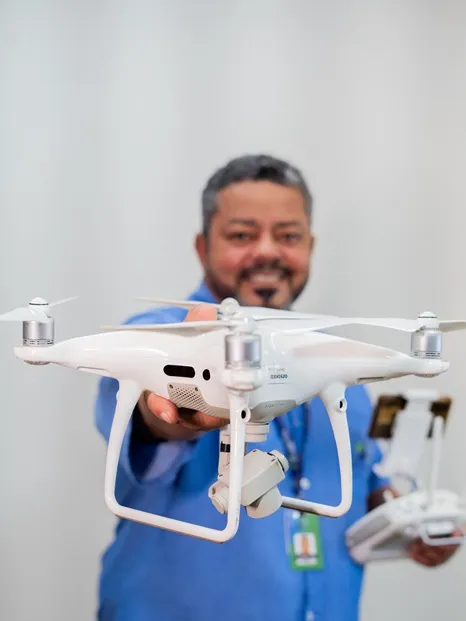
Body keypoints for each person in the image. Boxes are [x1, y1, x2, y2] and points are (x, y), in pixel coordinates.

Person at [94, 154, 459, 621]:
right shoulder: (155, 339)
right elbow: (152, 415)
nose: (267, 252)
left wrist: (402, 524)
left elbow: (367, 483)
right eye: (242, 235)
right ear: (202, 247)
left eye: (288, 236)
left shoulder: (341, 370)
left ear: (310, 245)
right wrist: (184, 406)